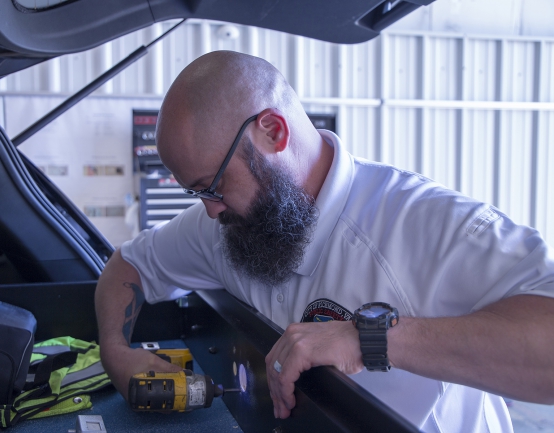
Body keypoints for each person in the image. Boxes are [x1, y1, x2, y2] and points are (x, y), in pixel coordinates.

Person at [95, 50, 554, 432]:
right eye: (196, 193)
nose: (210, 209)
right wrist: (116, 351)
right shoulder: (224, 224)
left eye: (212, 185)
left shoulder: (422, 224)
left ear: (273, 131)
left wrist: (370, 340)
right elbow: (129, 266)